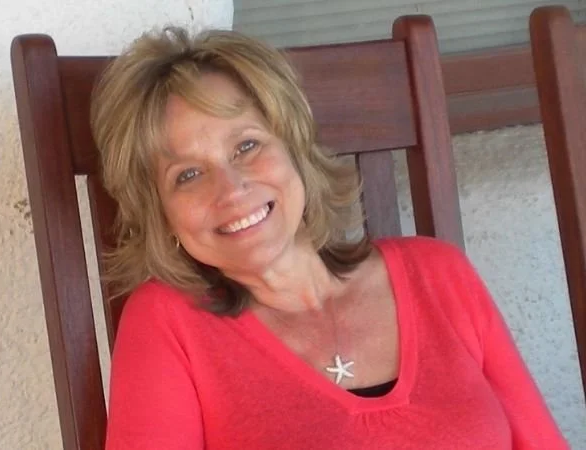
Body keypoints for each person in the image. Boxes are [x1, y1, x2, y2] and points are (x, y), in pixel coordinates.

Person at [91, 26, 568, 449]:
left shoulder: (438, 274)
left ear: (295, 149)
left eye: (246, 145)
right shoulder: (169, 323)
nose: (231, 189)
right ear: (161, 214)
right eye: (188, 174)